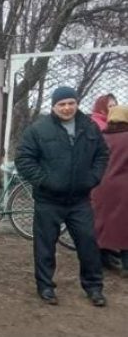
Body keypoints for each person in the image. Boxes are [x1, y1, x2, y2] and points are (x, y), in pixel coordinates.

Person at [16, 86, 110, 306]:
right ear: (53, 106)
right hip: (48, 200)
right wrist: (45, 181)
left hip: (80, 199)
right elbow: (24, 160)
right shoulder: (38, 130)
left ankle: (94, 288)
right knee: (45, 245)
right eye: (62, 104)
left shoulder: (89, 127)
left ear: (77, 103)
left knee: (88, 243)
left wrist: (93, 178)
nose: (67, 108)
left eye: (71, 103)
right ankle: (46, 287)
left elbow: (102, 155)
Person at [92, 105, 128, 277]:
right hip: (124, 188)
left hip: (100, 186)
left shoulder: (100, 137)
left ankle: (100, 260)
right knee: (124, 226)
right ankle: (126, 265)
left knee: (101, 224)